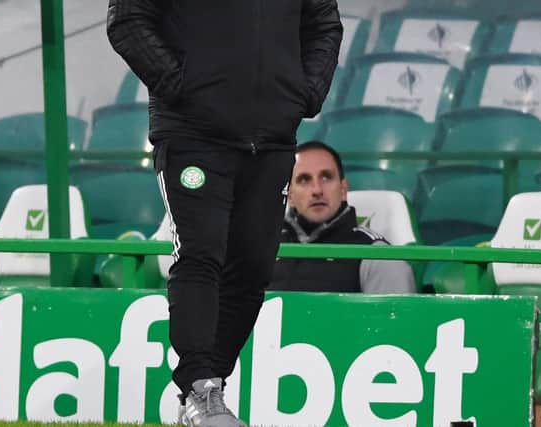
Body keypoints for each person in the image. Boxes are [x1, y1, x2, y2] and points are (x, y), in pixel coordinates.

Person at [107, 2, 342, 426]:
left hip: (272, 137)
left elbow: (324, 23)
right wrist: (183, 87)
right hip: (192, 135)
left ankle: (208, 389)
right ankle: (200, 389)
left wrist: (305, 93)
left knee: (253, 267)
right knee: (201, 253)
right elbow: (127, 19)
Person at [270, 141, 416, 294]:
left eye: (326, 177)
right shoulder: (265, 248)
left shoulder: (378, 256)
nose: (317, 190)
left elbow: (392, 316)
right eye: (304, 180)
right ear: (290, 195)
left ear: (343, 189)